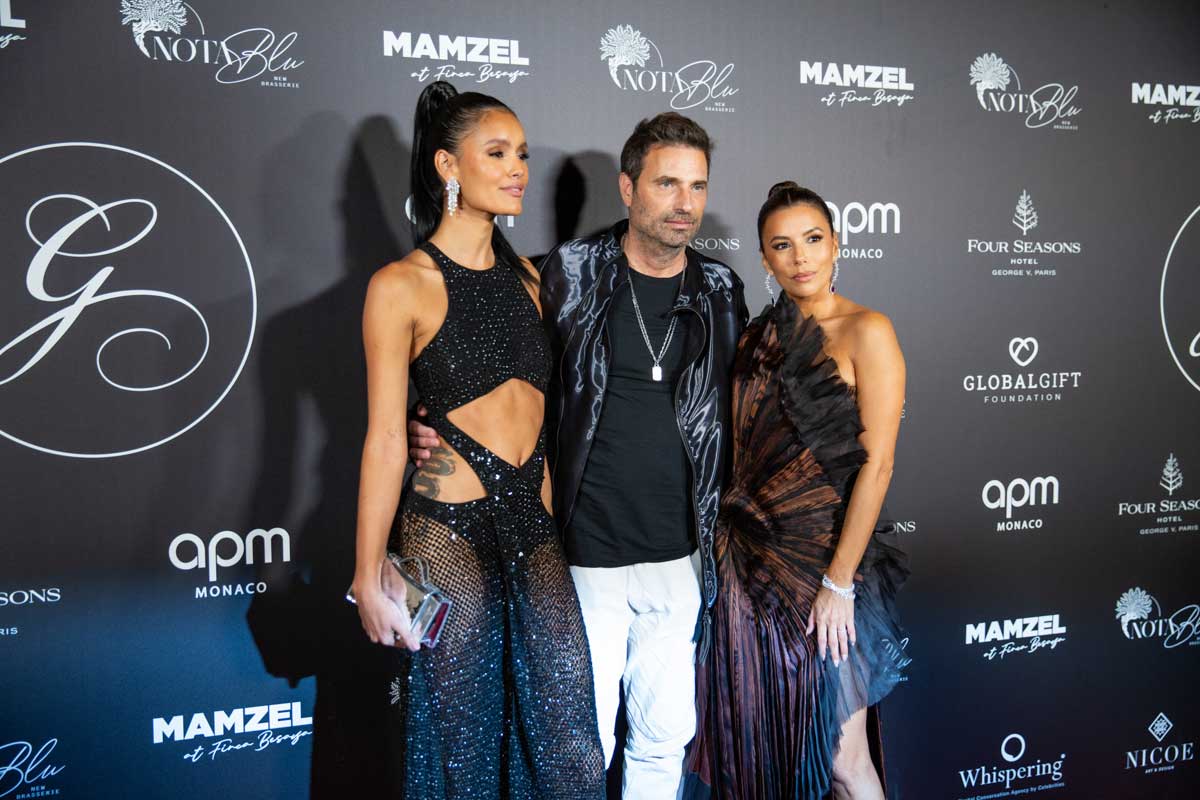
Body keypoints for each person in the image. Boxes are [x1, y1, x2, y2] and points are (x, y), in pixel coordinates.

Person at [411, 113, 747, 798]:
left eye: (697, 186)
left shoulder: (720, 291)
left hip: (681, 557)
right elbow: (488, 351)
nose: (684, 203)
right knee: (576, 748)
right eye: (667, 183)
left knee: (664, 740)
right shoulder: (568, 273)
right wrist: (431, 415)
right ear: (628, 188)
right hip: (583, 556)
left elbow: (746, 404)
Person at [351, 80, 605, 799]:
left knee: (569, 742)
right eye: (496, 153)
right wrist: (367, 572)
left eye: (521, 153)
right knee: (462, 744)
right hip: (447, 532)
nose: (517, 168)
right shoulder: (401, 285)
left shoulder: (530, 279)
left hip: (532, 525)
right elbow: (385, 440)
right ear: (448, 166)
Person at [686, 182, 910, 800]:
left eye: (813, 239)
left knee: (843, 760)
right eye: (781, 245)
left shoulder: (868, 330)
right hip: (747, 569)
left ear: (836, 244)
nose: (800, 257)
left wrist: (839, 582)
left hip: (824, 567)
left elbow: (878, 465)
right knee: (768, 753)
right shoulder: (756, 336)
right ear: (764, 257)